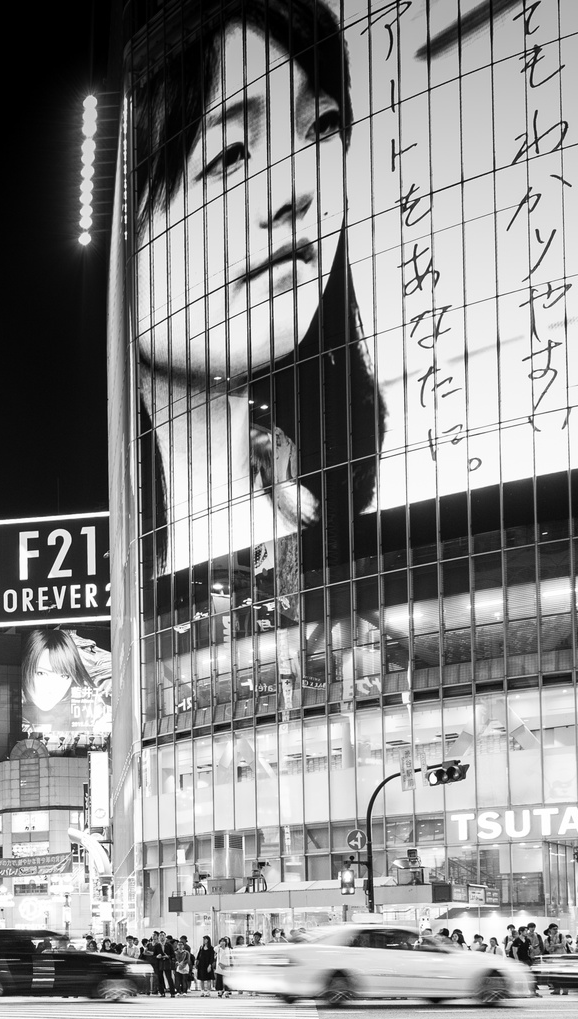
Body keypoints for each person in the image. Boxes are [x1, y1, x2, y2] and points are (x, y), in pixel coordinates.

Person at [133, 0, 380, 610]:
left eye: (318, 128)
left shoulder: (305, 510)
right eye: (231, 155)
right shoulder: (140, 558)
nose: (293, 193)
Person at [20, 627, 112, 753]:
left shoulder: (91, 707)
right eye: (41, 673)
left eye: (64, 676)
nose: (52, 688)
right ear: (25, 669)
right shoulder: (10, 705)